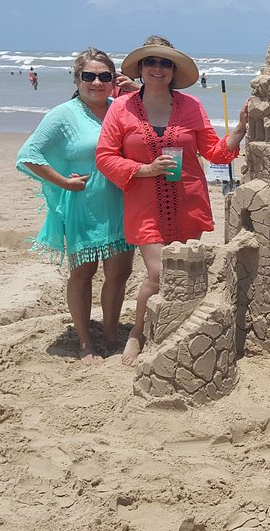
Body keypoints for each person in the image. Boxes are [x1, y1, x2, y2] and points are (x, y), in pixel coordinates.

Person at [96, 36, 248, 366]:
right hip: (144, 205)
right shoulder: (121, 108)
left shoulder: (190, 106)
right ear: (140, 68)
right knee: (157, 273)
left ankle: (175, 330)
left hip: (186, 202)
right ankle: (138, 332)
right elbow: (105, 157)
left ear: (174, 71)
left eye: (165, 63)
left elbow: (214, 151)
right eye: (151, 61)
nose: (158, 68)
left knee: (182, 271)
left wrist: (239, 129)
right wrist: (144, 169)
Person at [17, 49, 135, 365]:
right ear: (77, 78)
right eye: (89, 76)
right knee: (84, 272)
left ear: (114, 80)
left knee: (119, 272)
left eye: (104, 76)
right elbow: (28, 155)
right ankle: (85, 342)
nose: (97, 82)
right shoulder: (63, 115)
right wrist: (63, 183)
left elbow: (155, 126)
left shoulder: (122, 109)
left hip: (123, 201)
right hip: (85, 203)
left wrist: (136, 92)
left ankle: (110, 334)